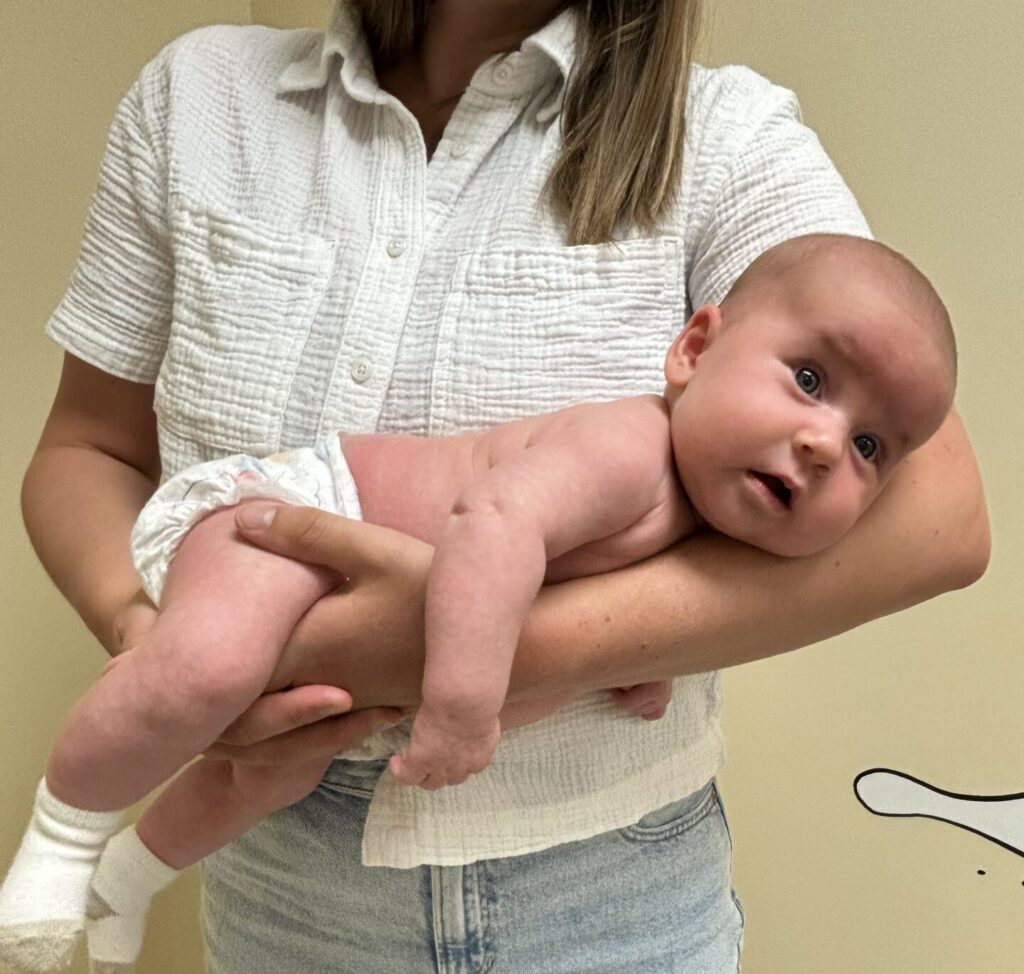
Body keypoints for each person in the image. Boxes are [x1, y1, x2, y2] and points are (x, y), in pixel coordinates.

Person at [14, 1, 989, 972]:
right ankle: (76, 850)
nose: (825, 444)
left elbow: (941, 515)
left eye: (862, 442)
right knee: (237, 774)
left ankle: (123, 869)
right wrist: (165, 655)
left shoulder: (720, 140)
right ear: (690, 345)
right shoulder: (201, 98)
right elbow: (87, 449)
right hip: (278, 875)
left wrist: (466, 653)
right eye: (809, 386)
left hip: (604, 897)